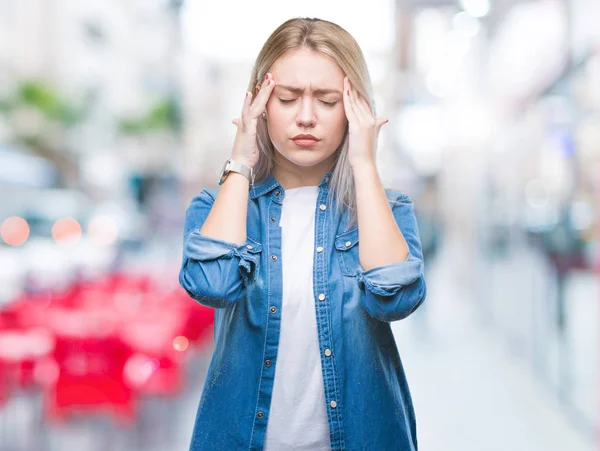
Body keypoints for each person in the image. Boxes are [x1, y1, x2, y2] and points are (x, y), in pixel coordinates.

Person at [179, 17, 427, 451]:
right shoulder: (216, 207)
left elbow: (396, 299)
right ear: (259, 104)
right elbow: (212, 285)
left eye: (328, 101)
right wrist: (240, 159)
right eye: (288, 98)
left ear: (355, 109)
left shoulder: (387, 210)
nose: (307, 117)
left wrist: (365, 166)